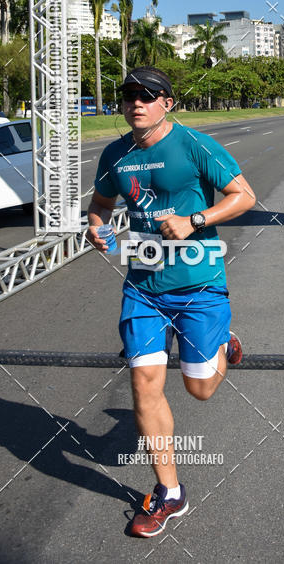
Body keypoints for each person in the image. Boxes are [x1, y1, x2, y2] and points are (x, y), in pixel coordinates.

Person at [86, 66, 256, 538]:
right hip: (142, 286)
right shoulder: (115, 154)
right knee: (143, 383)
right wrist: (96, 227)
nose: (135, 102)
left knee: (200, 389)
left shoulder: (195, 145)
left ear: (168, 103)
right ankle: (170, 493)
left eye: (147, 95)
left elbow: (244, 197)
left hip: (199, 284)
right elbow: (100, 205)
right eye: (128, 95)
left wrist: (194, 219)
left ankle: (222, 339)